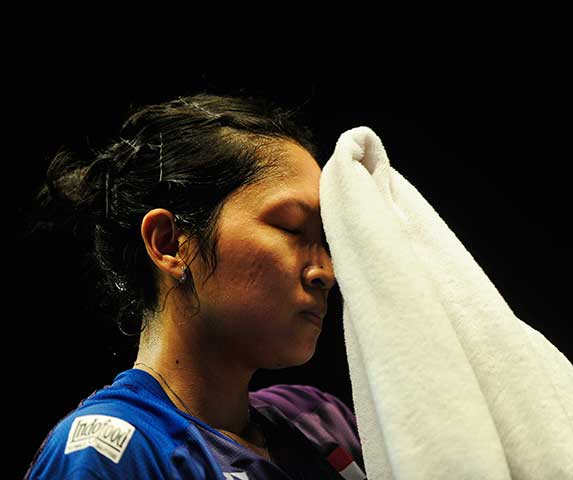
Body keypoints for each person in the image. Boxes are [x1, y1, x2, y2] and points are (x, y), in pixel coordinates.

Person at [24, 93, 366, 479]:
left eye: (326, 240)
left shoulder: (320, 420)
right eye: (290, 227)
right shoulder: (111, 452)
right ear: (170, 244)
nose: (326, 272)